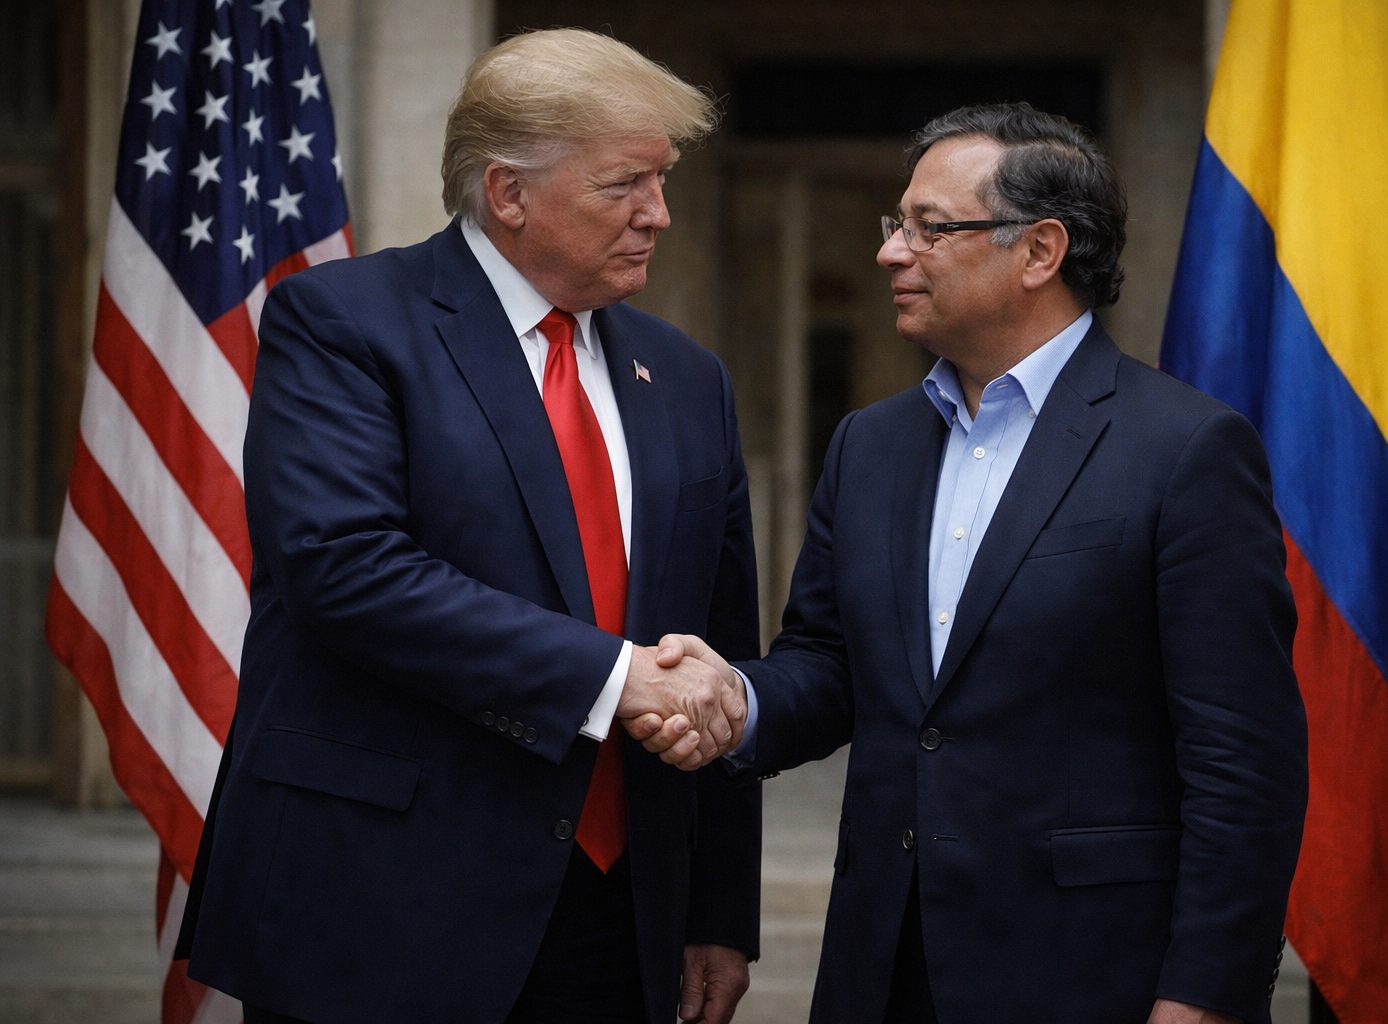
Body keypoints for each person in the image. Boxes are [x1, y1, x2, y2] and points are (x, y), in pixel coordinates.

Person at [657, 103, 1309, 1023]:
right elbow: (831, 664)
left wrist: (1205, 994)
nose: (891, 252)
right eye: (897, 225)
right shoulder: (869, 445)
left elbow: (1243, 758)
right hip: (883, 968)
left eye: (930, 228)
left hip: (1091, 977)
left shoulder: (1187, 450)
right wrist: (735, 697)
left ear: (1039, 251)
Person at [175, 29, 759, 1024]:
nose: (658, 213)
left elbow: (718, 645)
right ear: (508, 193)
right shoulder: (344, 322)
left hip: (621, 917)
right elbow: (345, 568)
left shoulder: (687, 376)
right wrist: (614, 678)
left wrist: (718, 909)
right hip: (384, 902)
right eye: (625, 184)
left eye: (661, 180)